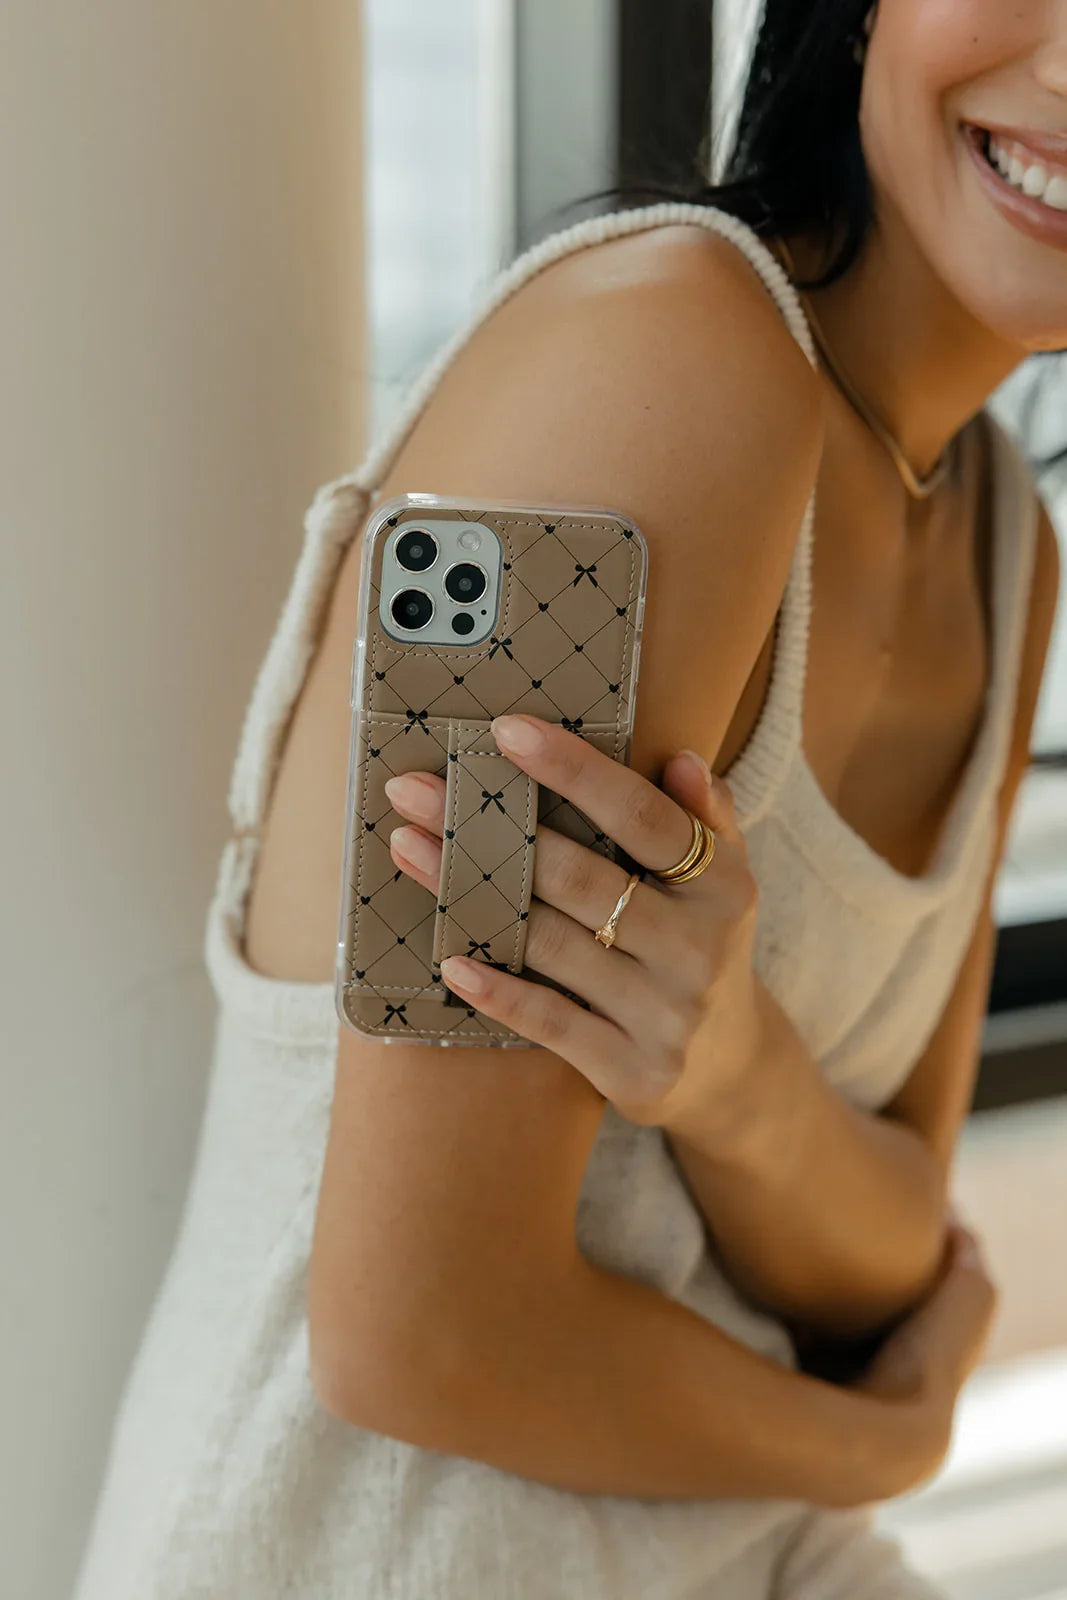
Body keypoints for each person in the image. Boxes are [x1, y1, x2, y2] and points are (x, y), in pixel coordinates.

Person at [72, 1, 1062, 1595]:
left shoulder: (1009, 545)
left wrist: (731, 1072)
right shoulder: (665, 357)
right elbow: (418, 1335)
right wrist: (877, 1445)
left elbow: (887, 1259)